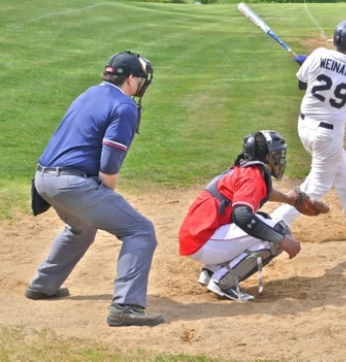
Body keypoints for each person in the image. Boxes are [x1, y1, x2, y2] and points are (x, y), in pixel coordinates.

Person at [27, 51, 165, 328]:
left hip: (43, 179)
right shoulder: (124, 106)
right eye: (140, 79)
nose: (142, 84)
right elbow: (110, 163)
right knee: (139, 230)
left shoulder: (89, 93)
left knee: (81, 229)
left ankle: (43, 285)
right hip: (71, 184)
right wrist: (108, 194)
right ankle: (125, 307)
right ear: (129, 79)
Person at [271, 19, 346, 231]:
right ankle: (274, 223)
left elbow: (303, 83)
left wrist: (308, 65)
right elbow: (336, 76)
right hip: (327, 136)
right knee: (318, 186)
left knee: (342, 169)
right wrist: (312, 68)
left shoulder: (318, 55)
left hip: (305, 127)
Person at [179, 130, 304, 301]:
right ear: (267, 156)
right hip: (204, 240)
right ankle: (224, 280)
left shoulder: (246, 171)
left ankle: (212, 270)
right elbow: (243, 217)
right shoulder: (252, 177)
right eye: (277, 153)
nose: (280, 159)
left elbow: (264, 193)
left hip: (199, 235)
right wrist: (281, 239)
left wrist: (289, 199)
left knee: (265, 220)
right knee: (277, 230)